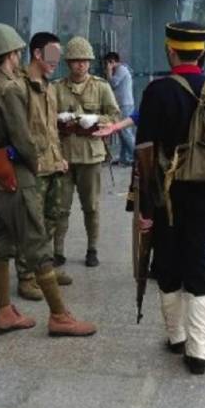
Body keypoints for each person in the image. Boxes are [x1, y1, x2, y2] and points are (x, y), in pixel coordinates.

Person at [0, 23, 96, 336]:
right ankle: (59, 316)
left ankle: (4, 311)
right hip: (15, 174)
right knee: (38, 243)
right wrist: (35, 162)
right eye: (17, 52)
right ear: (12, 54)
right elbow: (23, 138)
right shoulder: (11, 89)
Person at [135, 21, 205, 375]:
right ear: (201, 52)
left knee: (166, 263)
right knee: (197, 264)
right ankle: (198, 351)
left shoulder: (157, 91)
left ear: (171, 50)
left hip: (167, 194)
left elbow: (145, 154)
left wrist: (145, 207)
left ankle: (176, 337)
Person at [14, 32, 73, 301]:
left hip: (53, 164)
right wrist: (29, 160)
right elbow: (18, 131)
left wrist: (59, 157)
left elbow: (50, 129)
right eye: (52, 55)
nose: (56, 61)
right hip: (32, 167)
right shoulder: (20, 86)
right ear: (37, 54)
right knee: (31, 223)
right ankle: (26, 276)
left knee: (52, 219)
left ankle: (43, 269)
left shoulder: (49, 87)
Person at [53, 36, 120, 268]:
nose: (81, 64)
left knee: (91, 206)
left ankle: (92, 249)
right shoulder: (56, 88)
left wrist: (96, 119)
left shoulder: (101, 86)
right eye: (75, 60)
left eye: (85, 60)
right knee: (60, 208)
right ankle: (57, 251)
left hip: (90, 154)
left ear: (90, 62)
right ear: (68, 63)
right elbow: (45, 117)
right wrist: (58, 118)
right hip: (63, 155)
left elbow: (115, 116)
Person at [104, 51, 135, 166]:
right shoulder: (121, 69)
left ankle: (137, 157)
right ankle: (124, 158)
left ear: (112, 62)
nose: (106, 66)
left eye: (107, 63)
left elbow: (112, 83)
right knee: (122, 133)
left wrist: (109, 71)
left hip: (125, 105)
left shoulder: (121, 69)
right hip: (123, 104)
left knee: (125, 132)